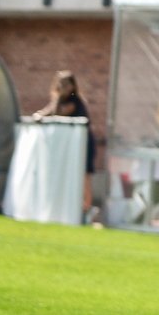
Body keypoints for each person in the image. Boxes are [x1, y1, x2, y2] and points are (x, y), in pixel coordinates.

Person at [30, 70, 96, 220]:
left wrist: (54, 103)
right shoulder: (58, 100)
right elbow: (46, 112)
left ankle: (88, 209)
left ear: (72, 86)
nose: (63, 87)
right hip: (68, 147)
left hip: (83, 143)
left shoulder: (74, 101)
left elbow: (58, 114)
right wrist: (39, 115)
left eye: (66, 84)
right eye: (60, 84)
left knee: (85, 174)